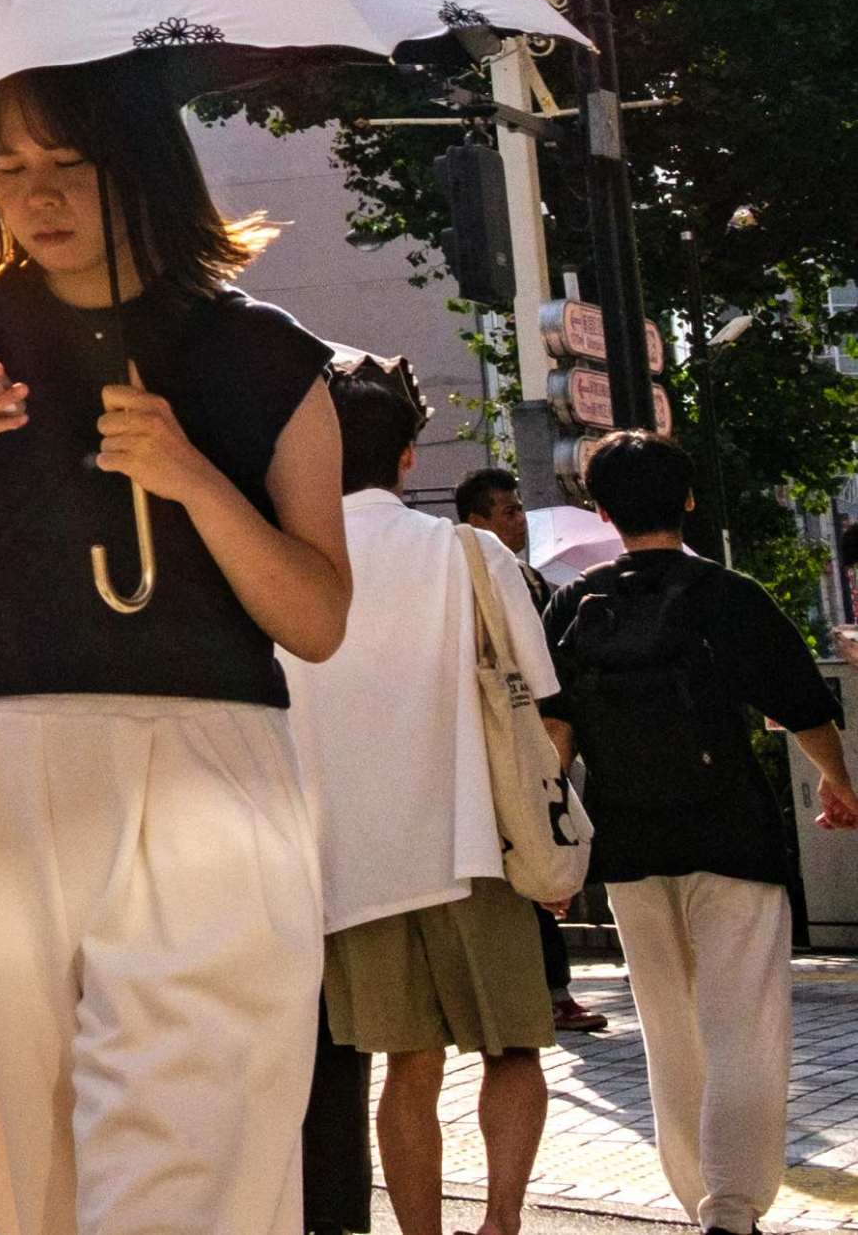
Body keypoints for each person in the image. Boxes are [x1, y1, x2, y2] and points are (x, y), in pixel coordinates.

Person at [0, 59, 351, 1235]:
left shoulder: (267, 357)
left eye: (68, 163)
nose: (37, 196)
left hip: (213, 757)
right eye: (7, 169)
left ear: (143, 167)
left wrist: (192, 480)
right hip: (7, 754)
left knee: (199, 1139)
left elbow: (317, 617)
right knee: (37, 1156)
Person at [543, 428, 858, 1235]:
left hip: (628, 847)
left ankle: (697, 1200)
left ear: (601, 509)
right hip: (730, 840)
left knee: (670, 1034)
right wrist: (836, 779)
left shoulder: (574, 604)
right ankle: (729, 1209)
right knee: (741, 1026)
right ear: (686, 498)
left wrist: (549, 844)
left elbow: (553, 740)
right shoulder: (726, 594)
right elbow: (802, 707)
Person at [282, 356, 557, 1235]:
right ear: (408, 457)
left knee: (407, 1066)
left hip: (349, 862)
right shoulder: (468, 551)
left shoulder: (285, 568)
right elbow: (537, 694)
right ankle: (501, 1224)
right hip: (475, 842)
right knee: (511, 1046)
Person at [451, 463, 606, 1035]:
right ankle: (549, 994)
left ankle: (550, 991)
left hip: (531, 739)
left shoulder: (528, 577)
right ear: (478, 520)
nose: (520, 520)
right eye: (509, 510)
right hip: (519, 739)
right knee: (530, 862)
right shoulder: (479, 574)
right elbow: (540, 678)